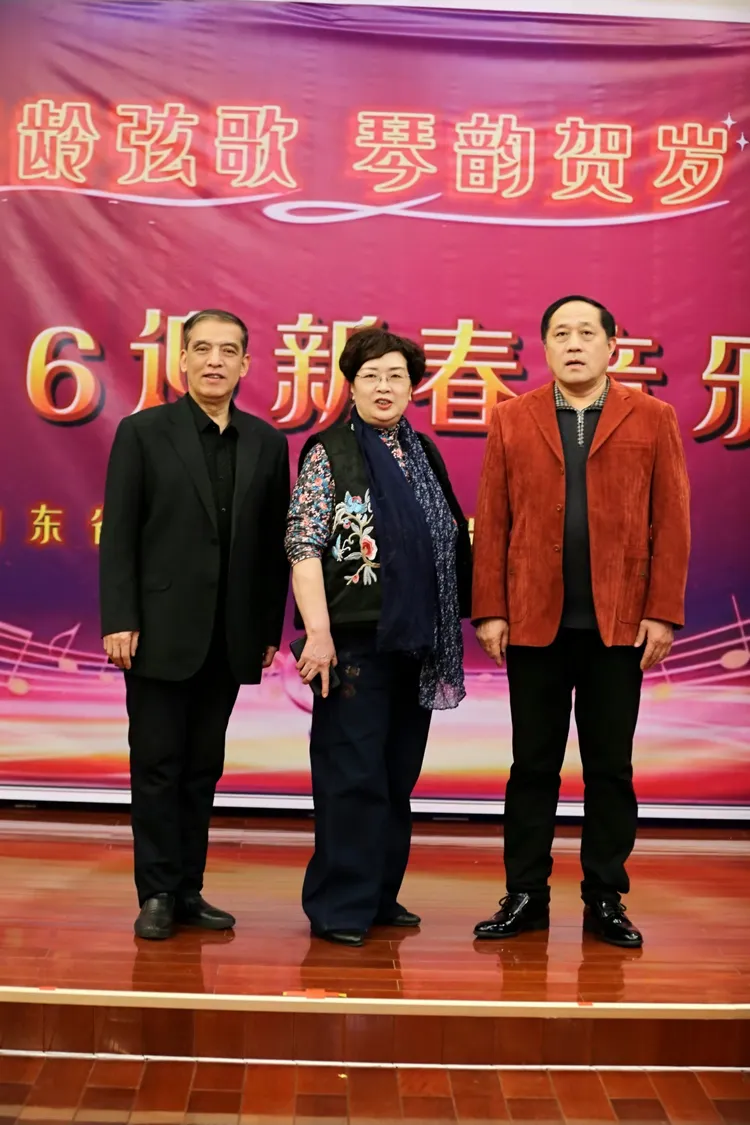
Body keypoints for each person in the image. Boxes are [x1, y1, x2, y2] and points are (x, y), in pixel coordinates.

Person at [472, 295, 690, 948]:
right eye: (560, 334)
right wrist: (490, 608)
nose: (573, 344)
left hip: (618, 626)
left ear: (611, 345)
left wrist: (662, 612)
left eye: (586, 333)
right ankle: (525, 894)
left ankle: (605, 898)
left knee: (610, 768)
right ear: (544, 347)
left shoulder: (652, 417)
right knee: (532, 766)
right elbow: (494, 520)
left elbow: (671, 522)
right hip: (533, 622)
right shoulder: (512, 418)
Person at [100, 309, 290, 941]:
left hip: (230, 635)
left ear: (245, 364)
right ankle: (155, 891)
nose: (215, 361)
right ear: (181, 360)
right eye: (203, 349)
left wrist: (267, 628)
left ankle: (188, 889)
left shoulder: (267, 443)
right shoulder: (142, 432)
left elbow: (272, 548)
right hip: (157, 631)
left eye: (228, 351)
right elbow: (119, 534)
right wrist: (120, 617)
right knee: (158, 764)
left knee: (203, 767)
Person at [286, 327, 472, 946]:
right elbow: (303, 546)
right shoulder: (329, 451)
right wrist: (318, 634)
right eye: (371, 376)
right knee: (352, 774)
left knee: (395, 775)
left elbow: (446, 539)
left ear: (412, 387)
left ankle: (379, 894)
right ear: (352, 385)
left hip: (415, 640)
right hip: (352, 643)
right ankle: (339, 906)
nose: (384, 387)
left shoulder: (422, 453)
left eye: (396, 376)